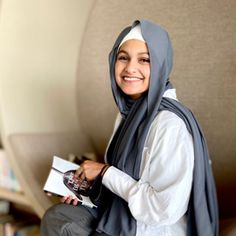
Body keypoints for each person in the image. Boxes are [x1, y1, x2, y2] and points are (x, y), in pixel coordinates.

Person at [40, 20, 219, 236]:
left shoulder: (170, 124)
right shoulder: (128, 113)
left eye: (145, 59)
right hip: (124, 215)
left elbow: (162, 210)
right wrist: (84, 193)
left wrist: (105, 172)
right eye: (123, 57)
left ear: (161, 65)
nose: (130, 68)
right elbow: (124, 181)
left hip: (154, 229)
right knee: (59, 217)